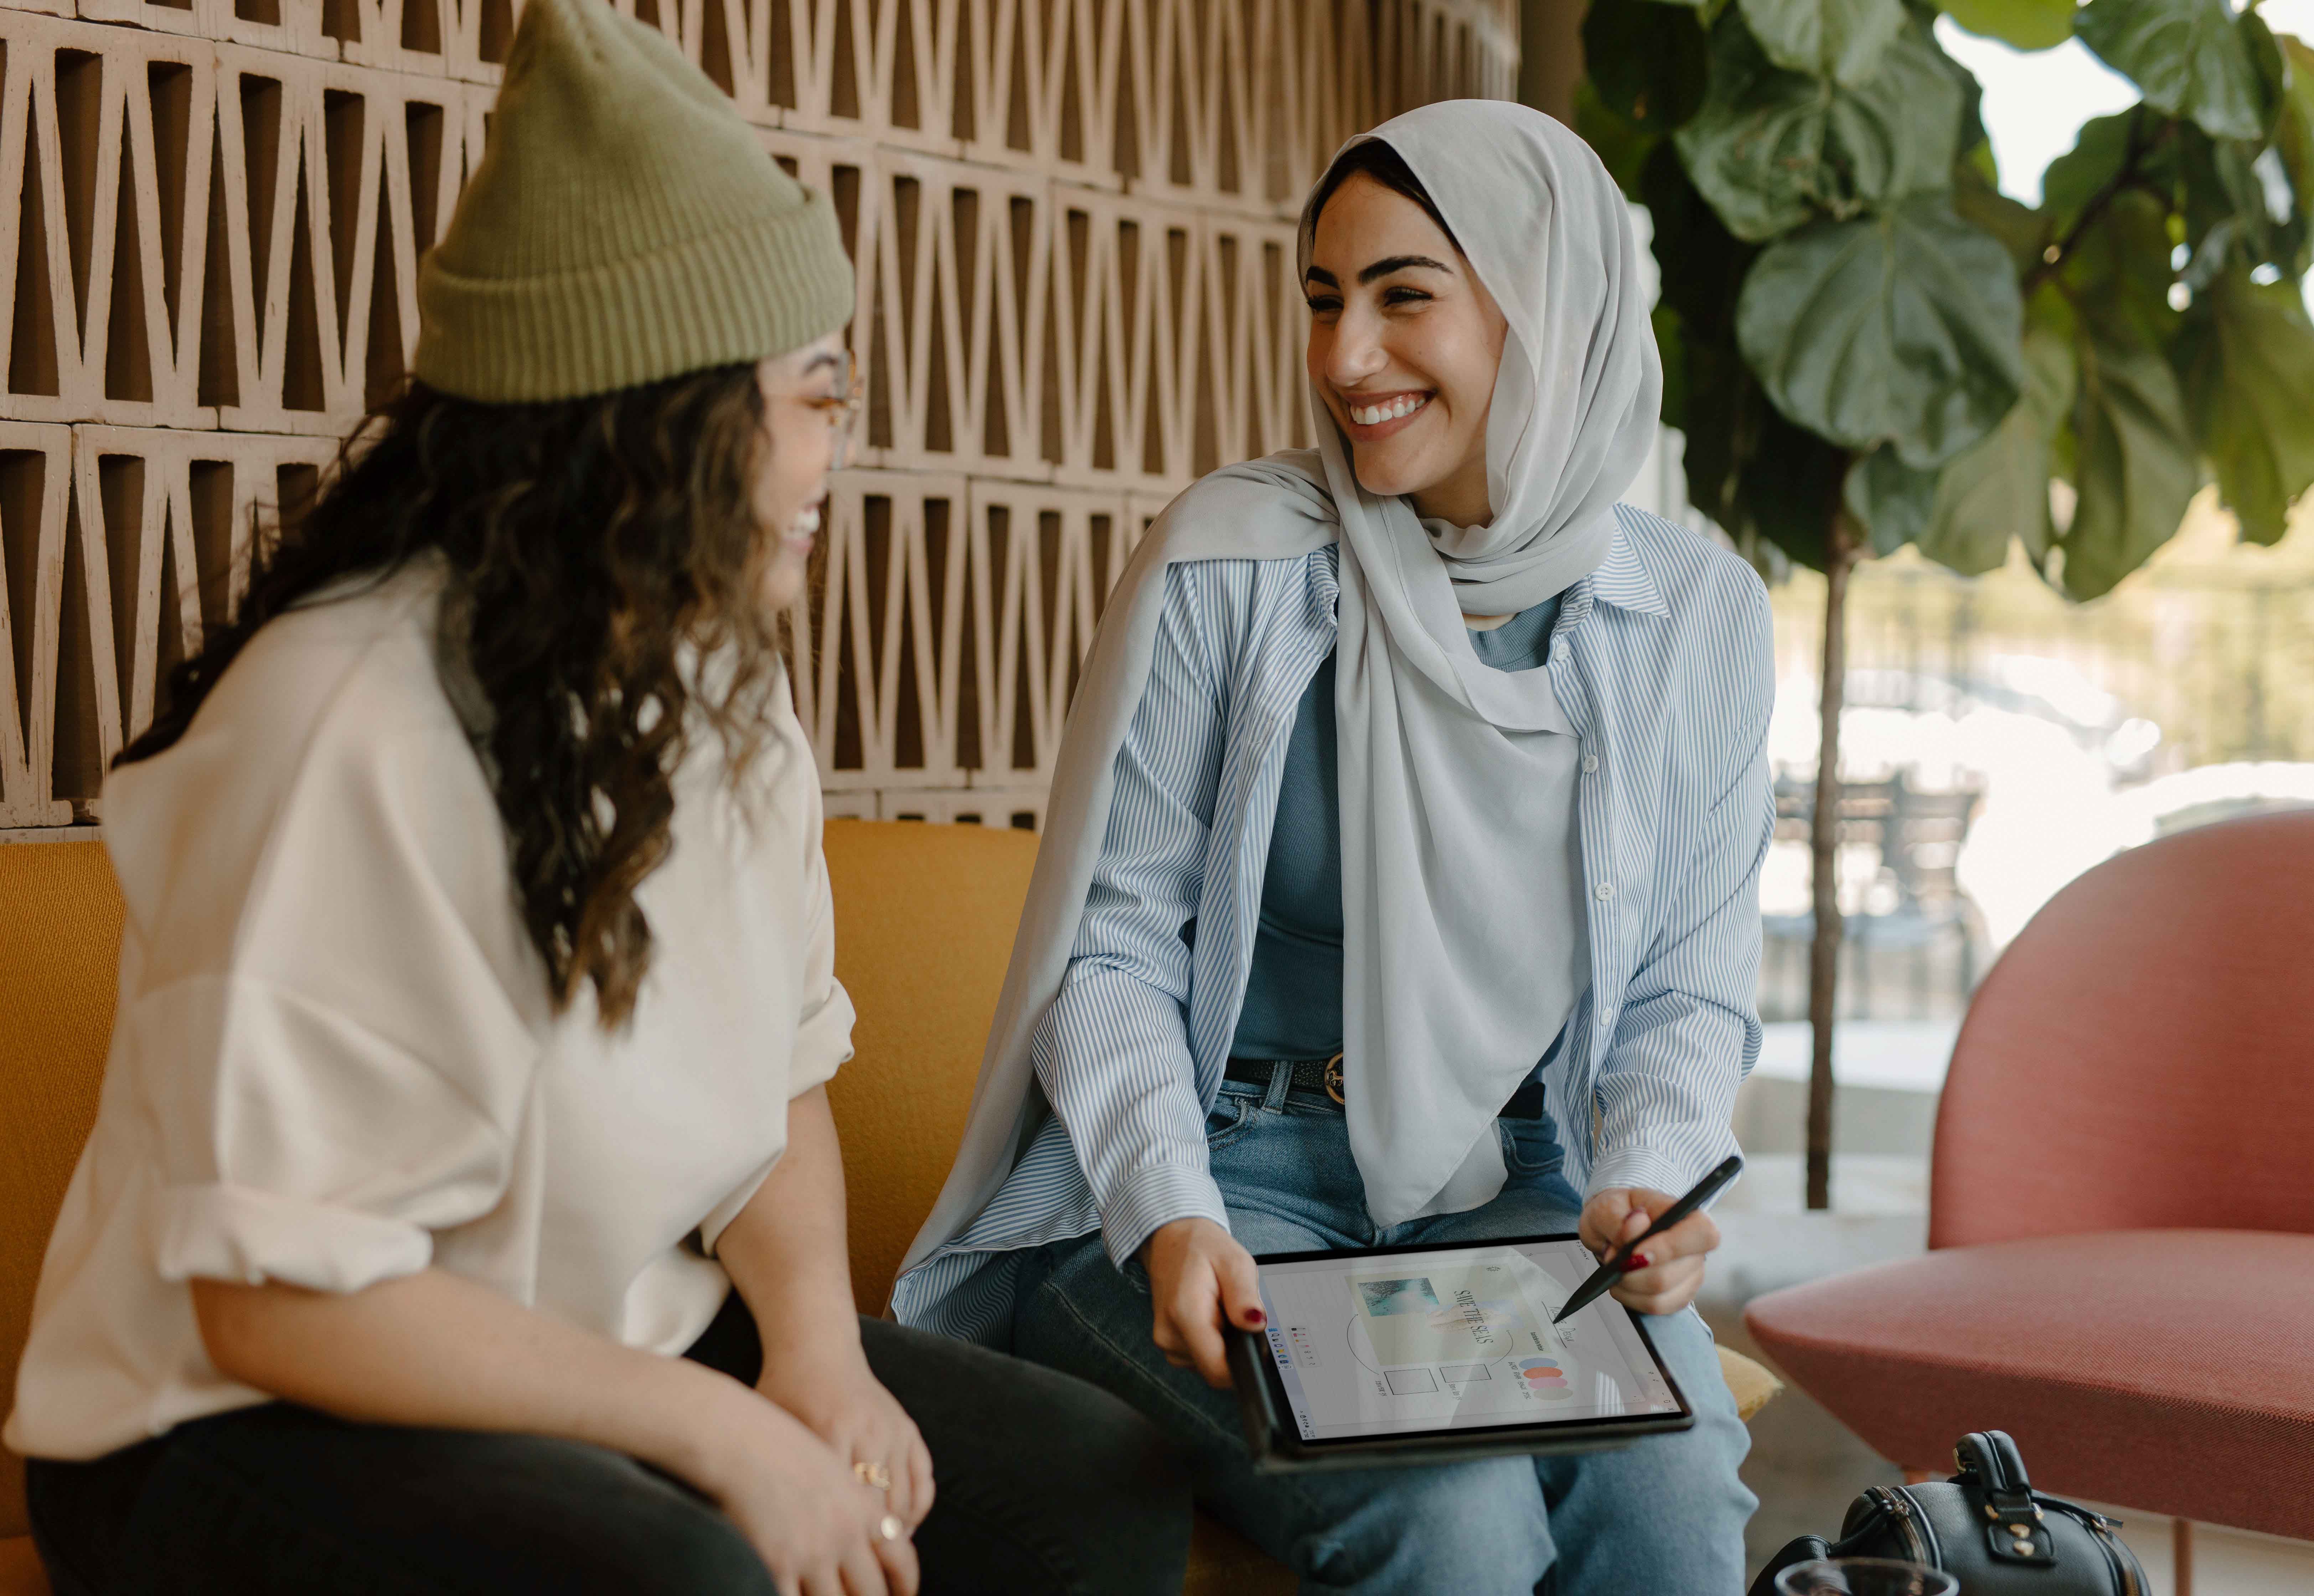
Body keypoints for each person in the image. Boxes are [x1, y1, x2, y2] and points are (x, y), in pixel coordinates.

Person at [2, 1, 1189, 1591]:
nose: (846, 444)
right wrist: (721, 1437)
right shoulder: (342, 716)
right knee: (685, 1572)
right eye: (819, 393)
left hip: (591, 1340)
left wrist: (823, 1362)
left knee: (1090, 1489)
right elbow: (277, 1296)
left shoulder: (721, 674)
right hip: (232, 1415)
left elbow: (775, 1088)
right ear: (662, 416)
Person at [891, 102, 1771, 1594]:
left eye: (1403, 295)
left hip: (1521, 1183)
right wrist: (1168, 1206)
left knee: (1671, 1498)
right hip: (1226, 1179)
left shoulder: (1698, 616)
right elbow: (1111, 945)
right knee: (1454, 1513)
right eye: (1323, 298)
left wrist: (1652, 1178)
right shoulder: (1236, 561)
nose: (1344, 356)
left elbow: (1689, 987)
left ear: (1542, 311)